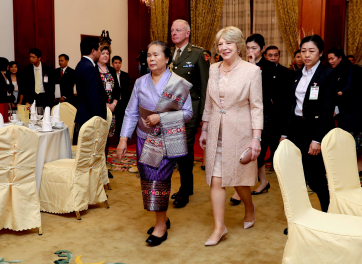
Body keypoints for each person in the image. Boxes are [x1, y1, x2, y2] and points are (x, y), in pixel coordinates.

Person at [117, 40, 193, 246]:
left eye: (156, 55)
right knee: (148, 178)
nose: (151, 59)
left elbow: (188, 113)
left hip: (167, 138)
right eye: (149, 55)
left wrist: (162, 118)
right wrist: (124, 139)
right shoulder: (141, 82)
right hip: (144, 138)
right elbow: (131, 112)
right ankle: (162, 218)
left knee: (158, 179)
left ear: (167, 58)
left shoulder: (178, 83)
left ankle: (160, 225)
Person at [199, 26, 263, 246]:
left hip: (240, 130)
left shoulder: (251, 71)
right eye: (220, 44)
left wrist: (256, 138)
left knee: (238, 179)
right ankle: (219, 227)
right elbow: (209, 101)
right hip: (216, 128)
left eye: (229, 43)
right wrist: (205, 128)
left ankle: (249, 207)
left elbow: (256, 107)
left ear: (239, 46)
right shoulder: (213, 69)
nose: (224, 47)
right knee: (217, 179)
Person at [281, 35, 338, 216]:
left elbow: (327, 109)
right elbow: (291, 106)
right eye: (303, 51)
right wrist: (285, 133)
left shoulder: (327, 74)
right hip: (297, 128)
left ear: (320, 53)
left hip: (314, 130)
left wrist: (317, 139)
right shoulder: (297, 74)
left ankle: (328, 213)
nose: (306, 55)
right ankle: (300, 217)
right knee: (297, 176)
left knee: (316, 177)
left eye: (311, 51)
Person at [170, 19, 210, 208]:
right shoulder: (169, 54)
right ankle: (189, 186)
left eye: (178, 30)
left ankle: (184, 190)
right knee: (178, 148)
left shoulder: (198, 54)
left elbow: (204, 86)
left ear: (187, 33)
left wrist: (203, 114)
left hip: (191, 110)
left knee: (184, 149)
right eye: (172, 30)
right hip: (172, 109)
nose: (174, 33)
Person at [230, 34, 274, 204]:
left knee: (253, 151)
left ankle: (240, 188)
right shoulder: (240, 66)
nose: (250, 51)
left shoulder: (269, 67)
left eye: (254, 48)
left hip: (261, 114)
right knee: (247, 149)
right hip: (242, 113)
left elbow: (263, 92)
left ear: (262, 49)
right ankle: (263, 181)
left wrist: (254, 67)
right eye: (248, 48)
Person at [328, 47, 362, 173]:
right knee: (344, 136)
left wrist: (340, 93)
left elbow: (350, 85)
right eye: (329, 59)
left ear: (340, 57)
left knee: (354, 138)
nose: (330, 61)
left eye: (332, 58)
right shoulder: (334, 71)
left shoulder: (352, 68)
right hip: (344, 110)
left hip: (355, 109)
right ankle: (348, 169)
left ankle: (357, 170)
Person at [264, 46, 294, 164]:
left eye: (275, 55)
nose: (273, 58)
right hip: (265, 110)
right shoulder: (259, 70)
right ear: (265, 56)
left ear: (279, 57)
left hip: (280, 110)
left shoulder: (287, 72)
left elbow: (288, 94)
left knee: (278, 136)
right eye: (270, 55)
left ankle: (278, 160)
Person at [73, 37, 106, 145]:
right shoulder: (89, 67)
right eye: (100, 49)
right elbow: (93, 97)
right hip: (89, 118)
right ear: (93, 51)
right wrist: (99, 121)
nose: (101, 52)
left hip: (83, 114)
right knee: (90, 152)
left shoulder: (81, 64)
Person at [97, 45, 121, 178]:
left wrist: (113, 104)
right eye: (103, 53)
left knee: (106, 140)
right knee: (98, 139)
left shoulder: (111, 70)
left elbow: (117, 90)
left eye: (107, 53)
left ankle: (104, 167)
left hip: (111, 110)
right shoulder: (94, 70)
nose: (105, 55)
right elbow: (94, 91)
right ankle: (97, 168)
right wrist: (105, 104)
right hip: (99, 109)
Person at [111, 55, 131, 139]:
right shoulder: (110, 75)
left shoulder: (125, 75)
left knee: (121, 121)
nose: (117, 65)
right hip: (112, 102)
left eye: (119, 63)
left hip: (123, 102)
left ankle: (121, 138)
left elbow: (127, 89)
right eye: (115, 63)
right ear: (112, 64)